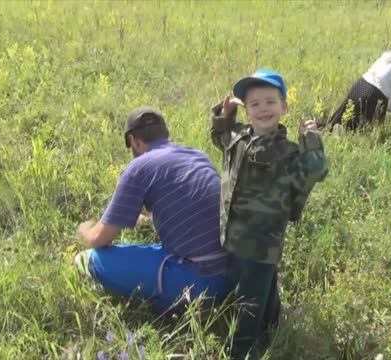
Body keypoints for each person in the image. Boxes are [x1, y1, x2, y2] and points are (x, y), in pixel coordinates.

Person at [210, 68, 328, 359]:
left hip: (263, 240)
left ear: (284, 107)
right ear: (246, 110)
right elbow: (220, 136)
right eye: (255, 104)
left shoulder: (287, 153)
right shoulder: (237, 137)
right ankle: (273, 325)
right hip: (234, 234)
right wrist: (224, 114)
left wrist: (310, 138)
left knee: (248, 300)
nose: (263, 109)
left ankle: (242, 349)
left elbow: (316, 169)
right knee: (261, 284)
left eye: (270, 102)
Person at [74, 106, 231, 312]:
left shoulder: (138, 168)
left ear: (133, 141)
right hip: (233, 275)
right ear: (166, 133)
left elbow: (99, 239)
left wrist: (85, 230)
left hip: (199, 282)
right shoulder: (197, 155)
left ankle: (165, 301)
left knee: (92, 259)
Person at [329, 37, 391, 131]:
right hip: (372, 97)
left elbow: (380, 86)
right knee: (363, 131)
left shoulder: (390, 57)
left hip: (359, 87)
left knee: (339, 123)